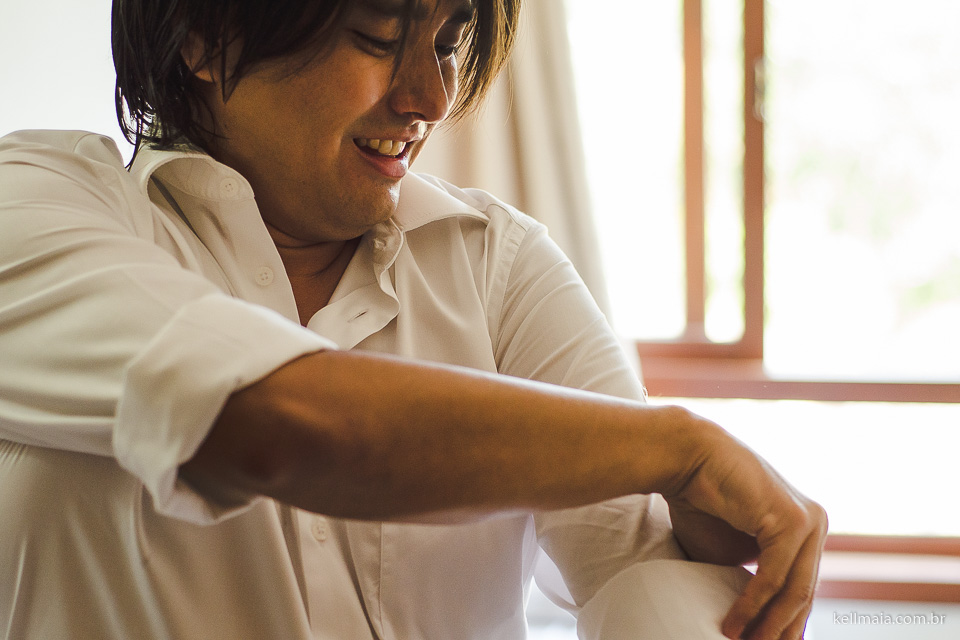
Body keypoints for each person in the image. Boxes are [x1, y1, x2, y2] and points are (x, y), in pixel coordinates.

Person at [0, 0, 826, 638]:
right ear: (207, 36)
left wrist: (703, 542)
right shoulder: (38, 209)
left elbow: (638, 561)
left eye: (445, 43)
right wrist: (673, 447)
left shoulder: (497, 264)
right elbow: (270, 424)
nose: (428, 97)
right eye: (378, 35)